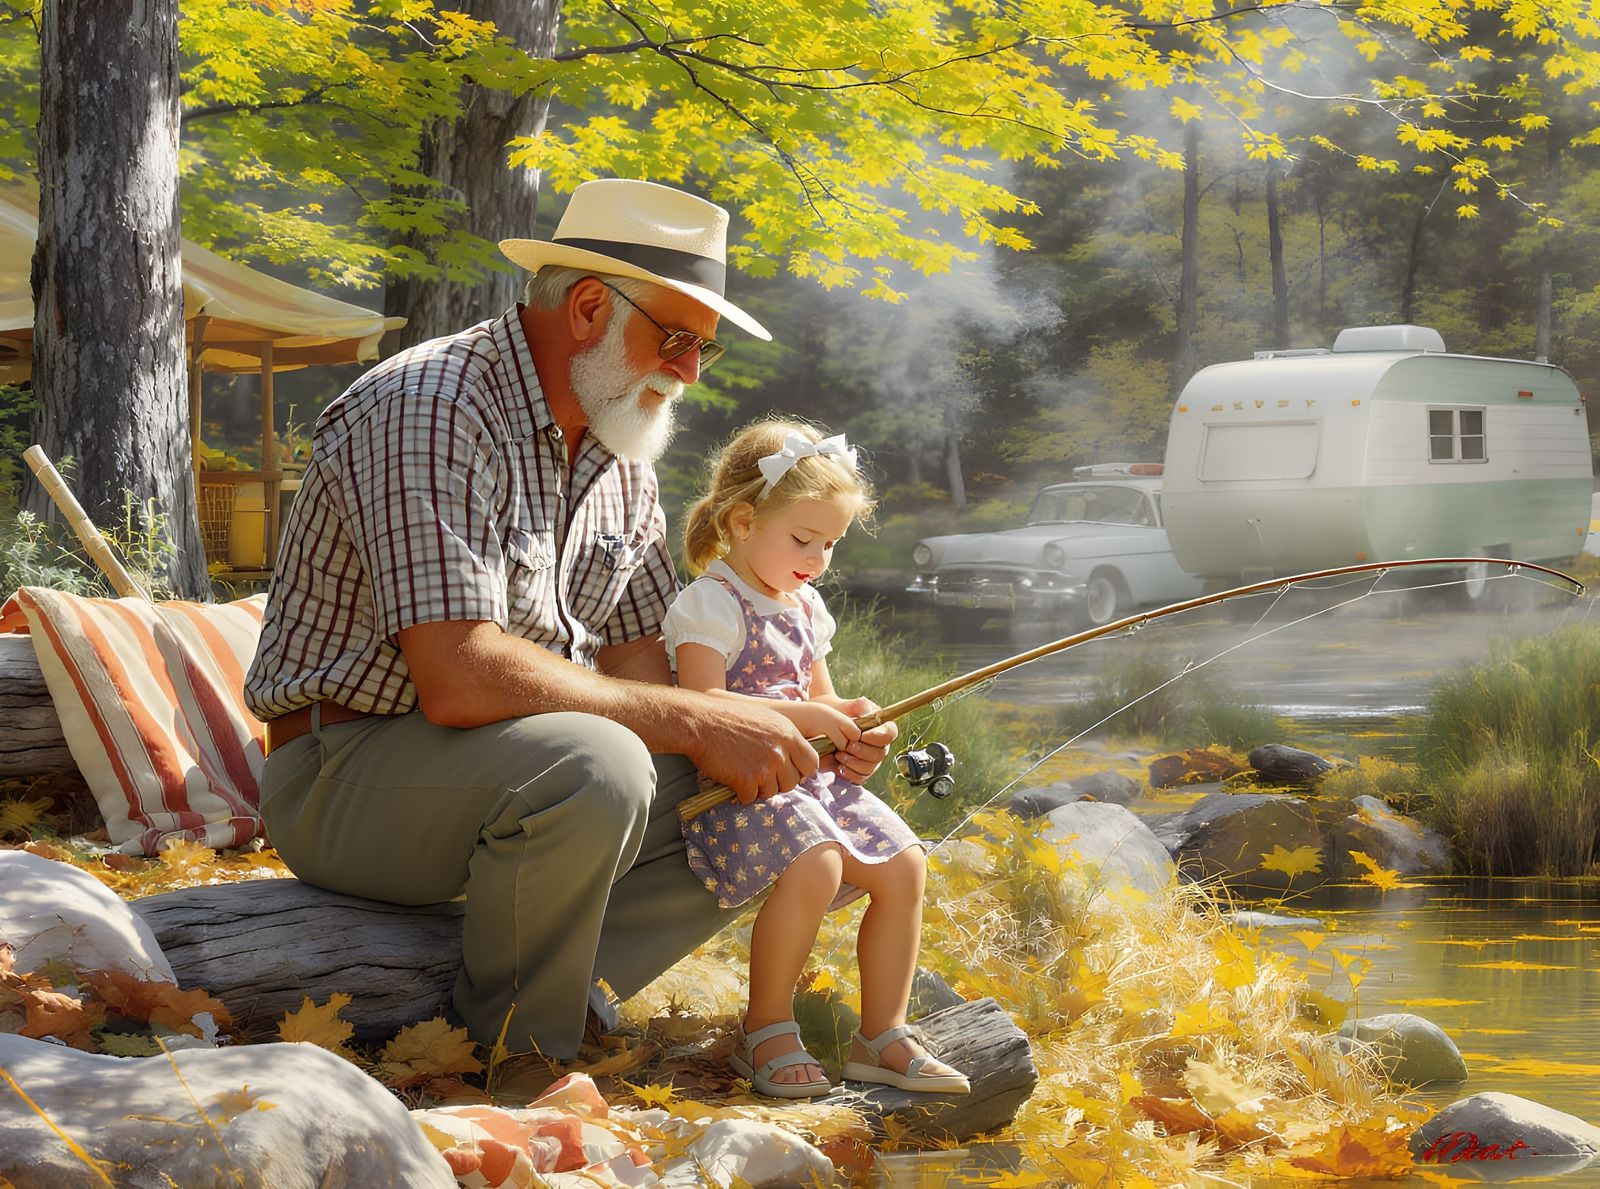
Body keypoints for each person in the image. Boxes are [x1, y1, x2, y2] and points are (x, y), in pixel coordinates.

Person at [242, 179, 899, 1063]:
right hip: (345, 773)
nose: (691, 373)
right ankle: (522, 1060)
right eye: (675, 340)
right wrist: (703, 720)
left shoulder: (621, 459)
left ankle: (564, 985)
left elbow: (640, 672)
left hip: (509, 767)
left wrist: (795, 726)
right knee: (601, 765)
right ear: (589, 307)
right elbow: (459, 674)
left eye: (702, 348)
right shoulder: (430, 408)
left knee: (779, 777)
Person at [665, 420, 969, 1099]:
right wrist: (813, 719)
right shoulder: (710, 604)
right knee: (818, 861)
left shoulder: (807, 605)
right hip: (745, 784)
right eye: (804, 539)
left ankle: (882, 1032)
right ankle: (766, 1026)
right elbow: (704, 706)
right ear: (743, 521)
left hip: (809, 782)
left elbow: (821, 700)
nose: (819, 557)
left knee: (905, 862)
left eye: (830, 543)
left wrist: (858, 730)